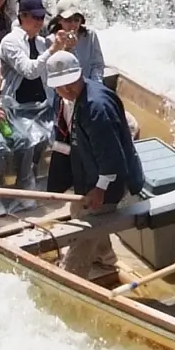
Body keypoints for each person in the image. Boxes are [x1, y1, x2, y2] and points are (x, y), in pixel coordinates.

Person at [44, 50, 147, 286]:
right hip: (87, 170)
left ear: (74, 79)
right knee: (78, 210)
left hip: (107, 180)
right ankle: (105, 257)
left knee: (85, 227)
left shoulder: (96, 108)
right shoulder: (74, 97)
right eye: (59, 87)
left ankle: (70, 280)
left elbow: (111, 156)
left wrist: (100, 189)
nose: (63, 90)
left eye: (66, 84)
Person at [0, 0, 54, 110]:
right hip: (16, 108)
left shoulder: (41, 42)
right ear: (22, 16)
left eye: (42, 17)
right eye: (35, 17)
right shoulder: (10, 41)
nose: (39, 22)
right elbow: (29, 72)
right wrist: (52, 50)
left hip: (43, 105)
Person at [50, 0, 106, 84]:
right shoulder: (51, 41)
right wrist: (67, 49)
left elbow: (97, 65)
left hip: (89, 85)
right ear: (59, 20)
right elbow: (55, 72)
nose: (73, 24)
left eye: (76, 20)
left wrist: (95, 84)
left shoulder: (90, 35)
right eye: (68, 20)